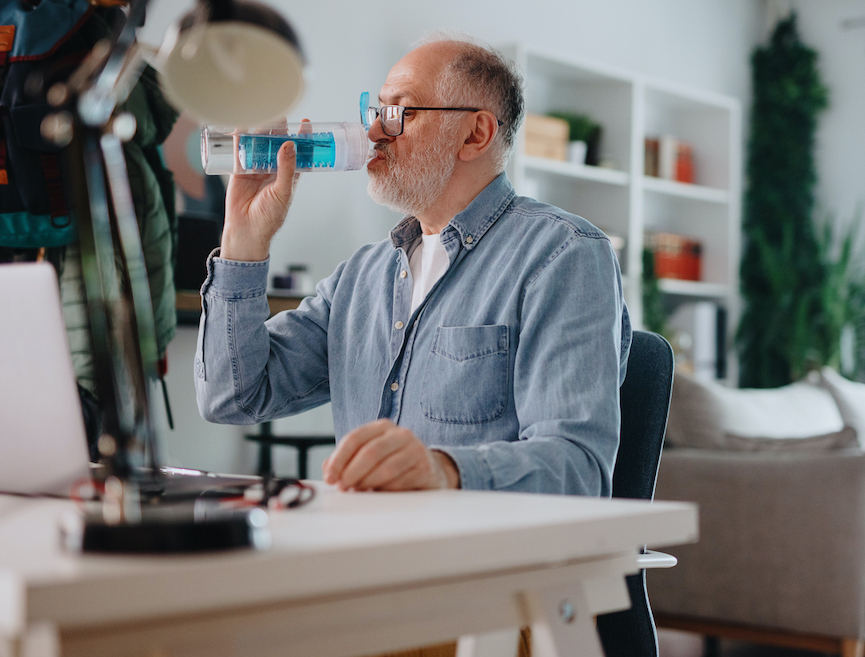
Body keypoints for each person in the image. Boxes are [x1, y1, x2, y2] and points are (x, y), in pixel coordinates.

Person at [195, 35, 631, 496]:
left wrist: (444, 471)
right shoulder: (361, 278)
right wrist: (244, 242)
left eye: (400, 113)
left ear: (475, 134)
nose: (374, 134)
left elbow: (578, 469)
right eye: (376, 112)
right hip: (371, 554)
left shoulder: (563, 255)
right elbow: (233, 398)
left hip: (479, 563)